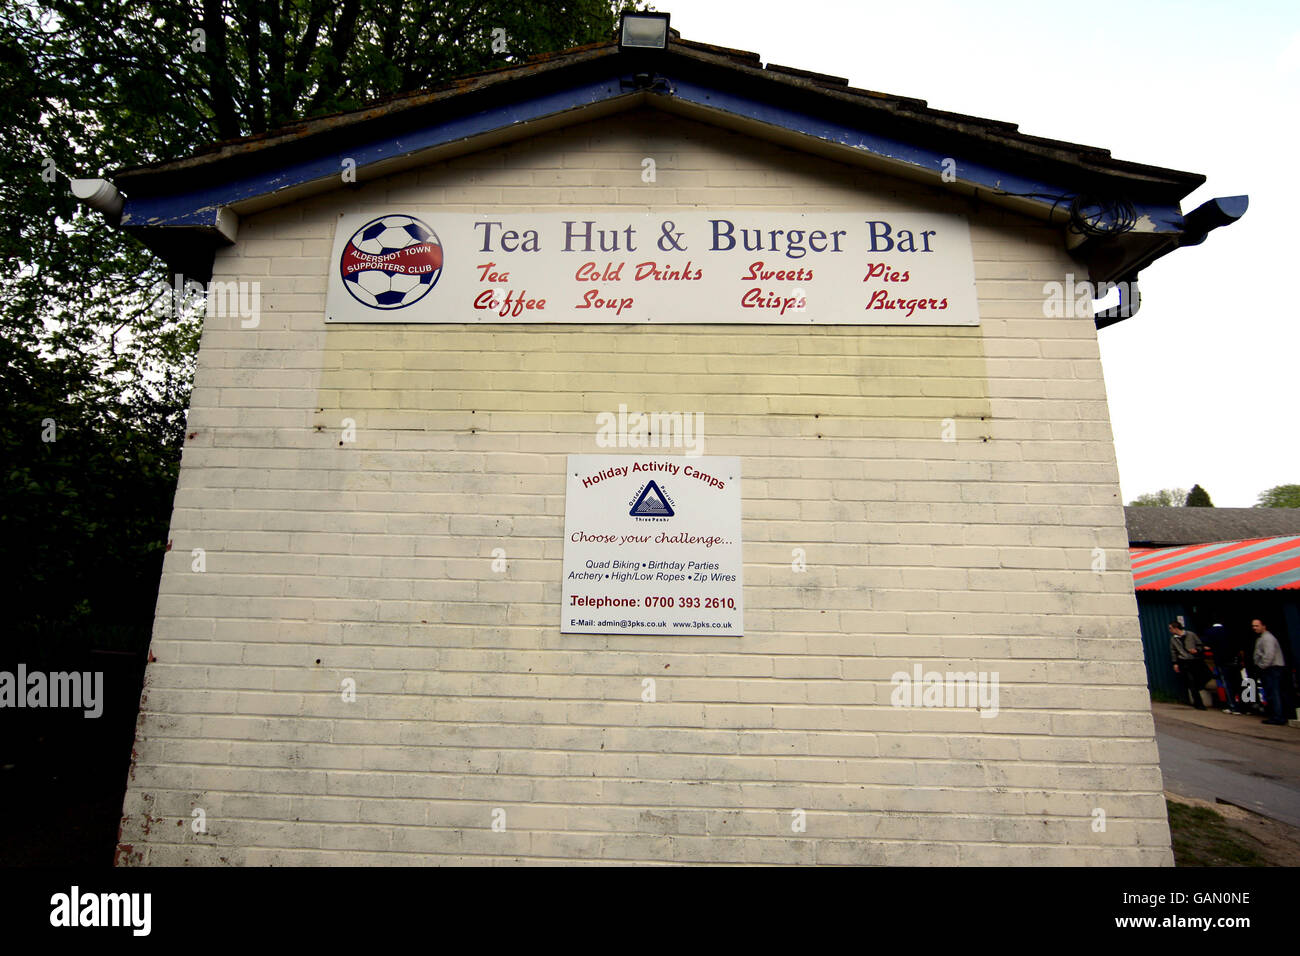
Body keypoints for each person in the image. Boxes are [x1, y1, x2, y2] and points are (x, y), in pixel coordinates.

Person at [1252, 619, 1289, 726]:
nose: (1254, 628)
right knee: (1272, 693)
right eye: (1253, 626)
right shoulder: (1263, 638)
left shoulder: (1267, 638)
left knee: (1274, 693)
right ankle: (1276, 715)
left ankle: (1278, 717)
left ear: (1264, 626)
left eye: (1257, 626)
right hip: (1270, 668)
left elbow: (1269, 654)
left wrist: (1262, 666)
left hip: (1272, 669)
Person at [1169, 620, 1206, 710]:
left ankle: (1198, 700)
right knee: (1191, 682)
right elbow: (1173, 651)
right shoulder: (1173, 639)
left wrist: (1196, 650)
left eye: (1170, 628)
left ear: (1175, 628)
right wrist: (1175, 663)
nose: (1169, 630)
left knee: (1199, 680)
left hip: (1194, 660)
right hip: (1184, 661)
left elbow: (1200, 645)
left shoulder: (1191, 635)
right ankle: (1199, 704)